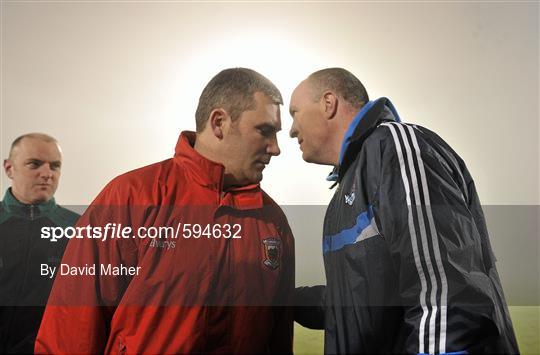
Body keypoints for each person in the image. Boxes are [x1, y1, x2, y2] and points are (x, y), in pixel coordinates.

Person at [35, 68, 294, 354]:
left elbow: (279, 339)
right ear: (219, 123)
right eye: (265, 131)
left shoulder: (273, 222)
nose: (275, 148)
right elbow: (71, 328)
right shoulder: (130, 198)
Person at [289, 68, 519, 354]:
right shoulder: (348, 186)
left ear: (328, 103)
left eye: (294, 113)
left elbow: (445, 298)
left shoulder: (396, 149)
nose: (291, 130)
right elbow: (353, 304)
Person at [0, 133, 80, 354]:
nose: (47, 174)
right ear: (9, 168)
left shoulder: (80, 231)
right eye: (34, 164)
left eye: (55, 166)